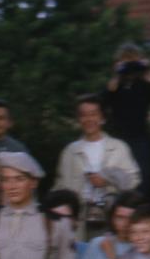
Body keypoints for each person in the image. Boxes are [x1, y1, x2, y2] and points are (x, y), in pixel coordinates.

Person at [54, 95, 141, 240]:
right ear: (78, 119)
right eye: (83, 115)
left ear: (102, 118)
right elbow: (59, 187)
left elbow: (134, 180)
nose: (89, 119)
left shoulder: (119, 147)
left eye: (93, 114)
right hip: (79, 217)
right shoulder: (70, 151)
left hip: (112, 215)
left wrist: (108, 181)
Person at [103, 43, 150, 191]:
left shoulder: (144, 85)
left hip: (140, 138)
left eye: (133, 62)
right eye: (126, 62)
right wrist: (114, 81)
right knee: (117, 174)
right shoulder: (115, 86)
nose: (130, 68)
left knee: (144, 176)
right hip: (118, 138)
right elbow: (100, 105)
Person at [78, 190, 143, 259]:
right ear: (112, 218)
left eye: (131, 218)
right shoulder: (98, 243)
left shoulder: (143, 246)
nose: (125, 224)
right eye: (120, 217)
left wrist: (112, 257)